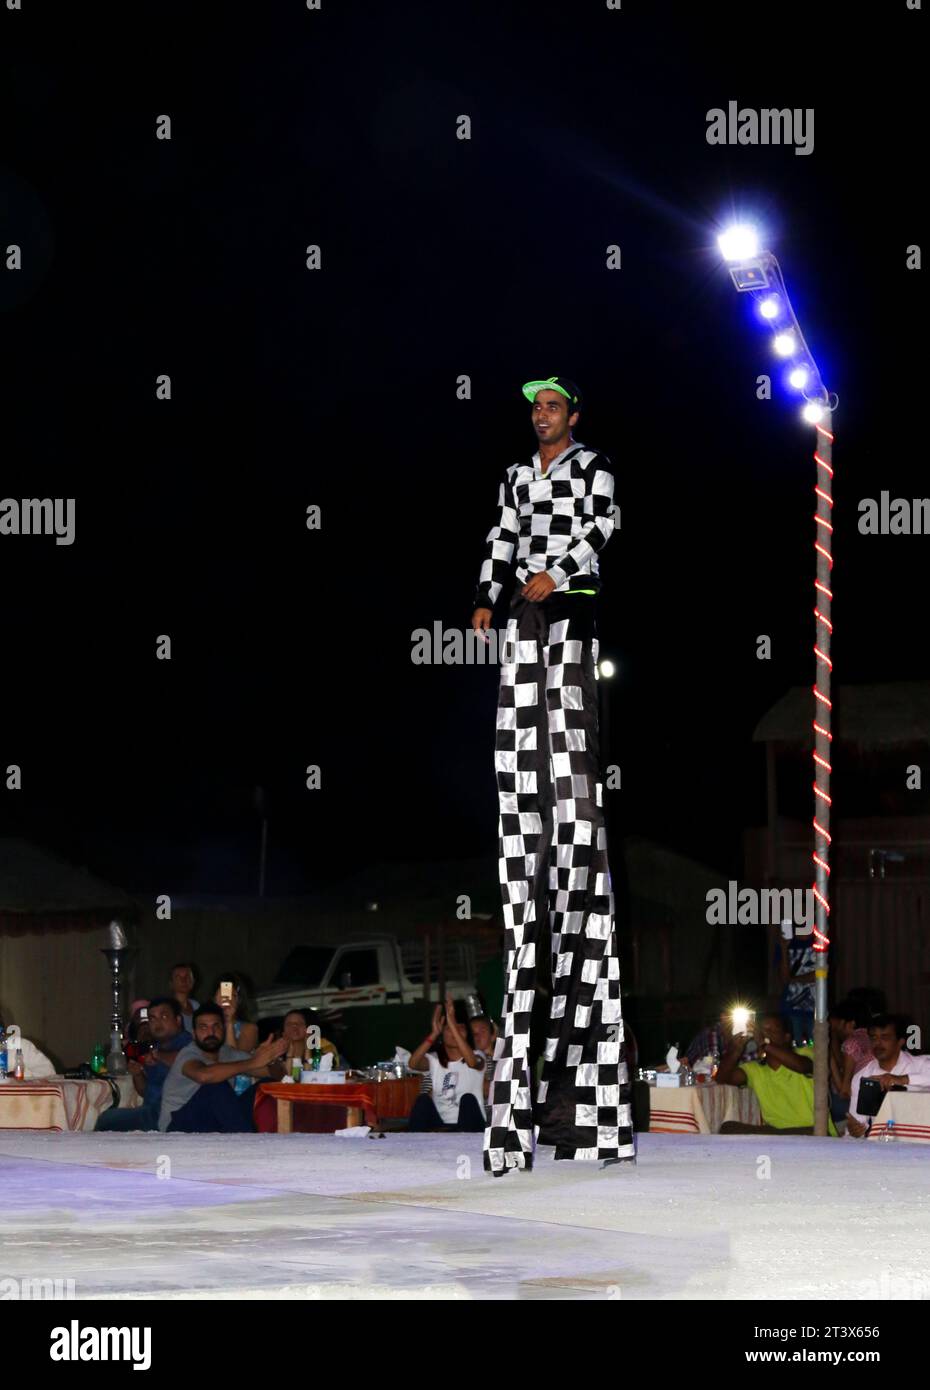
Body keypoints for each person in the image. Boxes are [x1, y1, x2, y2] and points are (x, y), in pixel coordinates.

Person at [471, 375, 634, 1174]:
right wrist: (484, 596)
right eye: (534, 406)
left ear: (574, 415)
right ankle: (519, 1117)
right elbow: (502, 535)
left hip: (569, 617)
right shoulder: (514, 476)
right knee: (517, 766)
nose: (541, 414)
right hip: (522, 629)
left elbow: (604, 528)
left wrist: (557, 572)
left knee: (572, 770)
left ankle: (589, 1117)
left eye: (554, 405)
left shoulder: (592, 467)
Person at [159, 1004, 288, 1133]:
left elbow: (278, 1076)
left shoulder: (229, 1053)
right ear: (194, 1034)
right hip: (178, 1126)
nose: (211, 1032)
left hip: (213, 1122)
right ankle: (247, 1143)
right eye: (203, 1027)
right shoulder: (188, 1053)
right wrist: (253, 1061)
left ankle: (271, 1136)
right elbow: (204, 1076)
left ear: (224, 1030)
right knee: (215, 1087)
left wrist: (270, 1060)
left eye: (216, 1026)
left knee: (265, 1086)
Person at [716, 1012, 837, 1135]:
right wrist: (736, 1050)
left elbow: (802, 1066)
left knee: (809, 1133)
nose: (767, 1033)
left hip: (814, 1131)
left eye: (774, 1030)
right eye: (763, 1030)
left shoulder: (806, 1053)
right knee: (728, 1127)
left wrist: (765, 1044)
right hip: (779, 1134)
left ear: (787, 1037)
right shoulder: (755, 1069)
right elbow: (722, 1078)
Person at [96, 996, 191, 1132]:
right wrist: (138, 1074)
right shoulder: (157, 1047)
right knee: (107, 1117)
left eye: (163, 1016)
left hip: (174, 1114)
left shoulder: (187, 1043)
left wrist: (158, 1056)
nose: (157, 1023)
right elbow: (146, 1092)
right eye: (152, 1018)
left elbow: (187, 1063)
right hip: (151, 1111)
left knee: (106, 1120)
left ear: (178, 1020)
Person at [407, 997, 487, 1132]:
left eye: (460, 1028)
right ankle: (414, 1145)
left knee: (467, 1099)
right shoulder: (434, 1060)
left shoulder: (478, 1055)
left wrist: (452, 1024)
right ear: (442, 1035)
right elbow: (413, 1064)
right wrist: (434, 1034)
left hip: (471, 1122)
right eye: (449, 1029)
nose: (455, 1032)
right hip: (442, 1124)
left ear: (466, 1035)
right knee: (422, 1100)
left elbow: (472, 1062)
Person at [846, 1014, 930, 1137]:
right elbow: (858, 1125)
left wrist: (903, 1079)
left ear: (900, 1042)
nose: (878, 1043)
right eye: (873, 1038)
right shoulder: (863, 1076)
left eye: (885, 1037)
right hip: (885, 1146)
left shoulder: (921, 1065)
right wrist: (855, 1131)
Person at [210, 973, 258, 1096]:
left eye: (232, 996)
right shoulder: (208, 1027)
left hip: (240, 1091)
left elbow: (235, 1058)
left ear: (239, 1000)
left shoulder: (249, 1028)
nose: (227, 1001)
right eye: (223, 996)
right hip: (215, 1087)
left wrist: (229, 1023)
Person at [828, 997, 872, 1123]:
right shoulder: (869, 1038)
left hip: (860, 1105)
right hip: (872, 1100)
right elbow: (845, 1066)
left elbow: (844, 1091)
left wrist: (828, 1056)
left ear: (849, 1024)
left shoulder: (851, 1043)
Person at [777, 924, 815, 1045]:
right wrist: (784, 948)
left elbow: (820, 974)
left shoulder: (820, 941)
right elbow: (783, 978)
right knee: (793, 1046)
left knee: (816, 1048)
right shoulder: (787, 943)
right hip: (791, 1006)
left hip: (815, 1006)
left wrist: (793, 979)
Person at [169, 963, 199, 1033]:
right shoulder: (168, 1008)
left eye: (187, 976)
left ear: (192, 981)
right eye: (178, 977)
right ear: (171, 983)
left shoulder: (196, 1005)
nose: (183, 980)